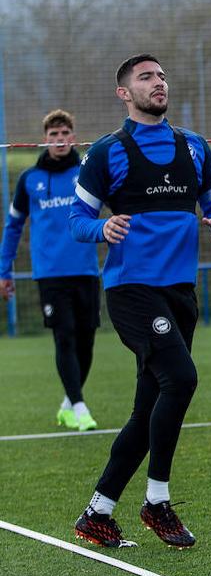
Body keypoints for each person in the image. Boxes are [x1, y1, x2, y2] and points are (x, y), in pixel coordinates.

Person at [68, 54, 211, 549]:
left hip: (180, 292)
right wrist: (102, 227)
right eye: (146, 77)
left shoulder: (194, 146)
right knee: (181, 379)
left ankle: (97, 513)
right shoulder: (107, 152)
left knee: (150, 407)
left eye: (161, 75)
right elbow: (77, 220)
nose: (158, 82)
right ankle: (157, 501)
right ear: (124, 93)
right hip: (132, 290)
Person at [1, 110, 103, 431]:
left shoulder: (87, 173)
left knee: (86, 341)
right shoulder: (29, 180)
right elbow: (13, 226)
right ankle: (81, 407)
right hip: (50, 274)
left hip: (86, 270)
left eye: (64, 134)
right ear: (44, 139)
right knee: (65, 338)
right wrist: (4, 270)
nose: (59, 140)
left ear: (73, 136)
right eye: (53, 135)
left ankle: (68, 404)